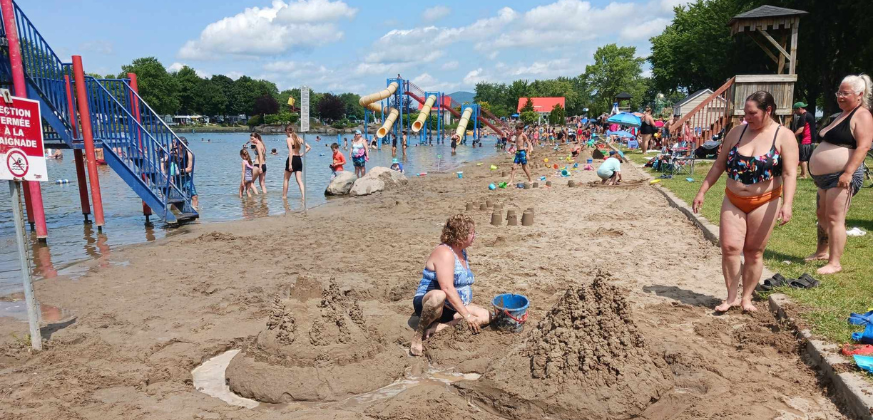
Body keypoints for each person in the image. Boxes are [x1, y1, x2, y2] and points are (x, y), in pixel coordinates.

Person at [692, 91, 798, 312]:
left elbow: (789, 173)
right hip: (734, 199)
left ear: (768, 110)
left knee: (753, 252)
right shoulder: (736, 132)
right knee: (730, 248)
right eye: (745, 113)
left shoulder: (784, 136)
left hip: (765, 201)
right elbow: (719, 164)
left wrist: (787, 204)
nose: (747, 117)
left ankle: (746, 298)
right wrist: (702, 191)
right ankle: (731, 297)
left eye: (752, 113)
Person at [805, 74, 873, 274]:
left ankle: (834, 262)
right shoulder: (841, 115)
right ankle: (821, 252)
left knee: (835, 217)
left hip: (842, 175)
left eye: (845, 93)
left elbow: (863, 146)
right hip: (825, 178)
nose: (840, 96)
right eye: (839, 92)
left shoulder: (862, 115)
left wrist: (848, 173)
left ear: (859, 94)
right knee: (822, 214)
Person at [409, 214, 490, 356]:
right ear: (460, 235)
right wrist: (467, 316)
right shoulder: (445, 253)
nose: (474, 236)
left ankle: (439, 327)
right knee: (439, 295)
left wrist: (465, 312)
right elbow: (447, 288)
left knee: (486, 315)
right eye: (471, 233)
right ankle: (418, 335)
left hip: (451, 307)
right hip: (432, 304)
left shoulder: (462, 251)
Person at [282, 125, 311, 201]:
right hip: (298, 159)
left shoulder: (289, 139)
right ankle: (303, 196)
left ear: (287, 131)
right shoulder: (299, 138)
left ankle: (284, 196)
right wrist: (302, 154)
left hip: (292, 159)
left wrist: (290, 164)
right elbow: (309, 147)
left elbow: (290, 152)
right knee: (299, 180)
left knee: (286, 179)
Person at [792, 102, 816, 179]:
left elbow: (801, 129)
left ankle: (804, 175)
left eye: (795, 110)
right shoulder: (809, 115)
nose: (795, 112)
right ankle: (803, 173)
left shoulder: (803, 116)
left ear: (799, 109)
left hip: (806, 140)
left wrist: (792, 136)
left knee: (803, 159)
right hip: (811, 140)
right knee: (806, 158)